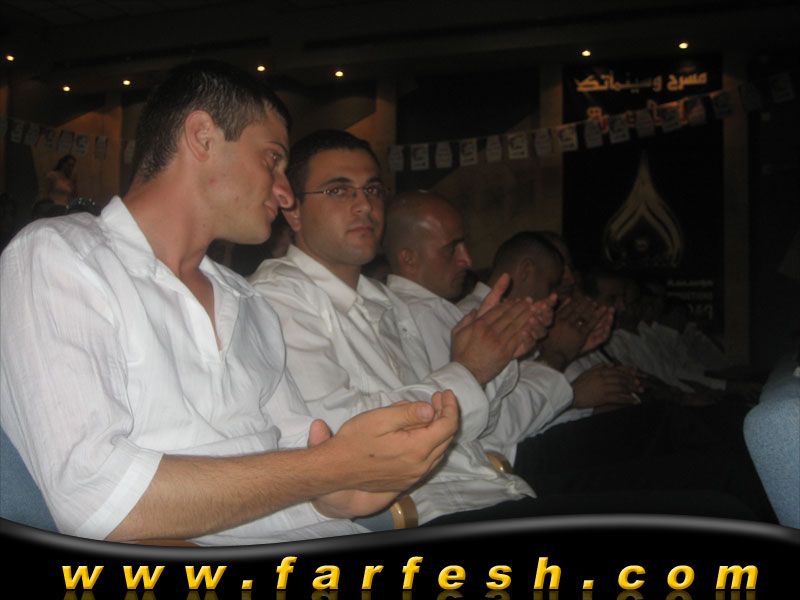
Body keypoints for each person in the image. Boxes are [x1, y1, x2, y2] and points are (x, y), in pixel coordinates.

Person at [0, 60, 460, 545]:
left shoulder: (248, 301)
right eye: (273, 159)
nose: (285, 193)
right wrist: (325, 469)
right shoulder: (62, 256)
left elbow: (302, 459)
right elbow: (95, 499)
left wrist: (353, 481)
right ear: (202, 137)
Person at [249, 130, 558, 527]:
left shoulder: (387, 302)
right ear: (293, 211)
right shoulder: (278, 299)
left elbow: (468, 427)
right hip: (429, 512)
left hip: (486, 490)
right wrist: (469, 370)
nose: (365, 205)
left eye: (373, 190)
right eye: (339, 191)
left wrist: (497, 355)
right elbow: (336, 435)